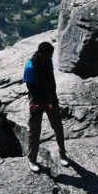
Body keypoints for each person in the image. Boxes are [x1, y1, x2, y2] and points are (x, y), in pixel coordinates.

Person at [23, 41, 69, 173]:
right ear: (42, 54)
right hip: (37, 99)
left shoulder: (48, 62)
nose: (51, 57)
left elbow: (52, 80)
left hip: (49, 97)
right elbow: (31, 89)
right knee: (34, 131)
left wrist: (53, 100)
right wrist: (43, 103)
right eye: (49, 55)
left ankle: (62, 153)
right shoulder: (30, 67)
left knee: (58, 126)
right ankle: (32, 159)